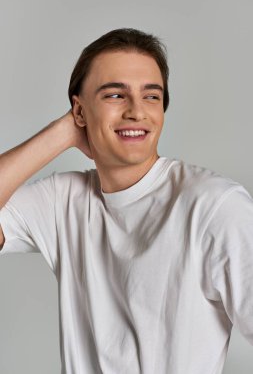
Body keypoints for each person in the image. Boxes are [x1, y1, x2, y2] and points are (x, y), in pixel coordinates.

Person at [0, 28, 252, 374]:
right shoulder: (63, 202)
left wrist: (88, 119)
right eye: (115, 95)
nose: (137, 111)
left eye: (151, 96)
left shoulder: (214, 206)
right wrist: (63, 133)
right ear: (79, 110)